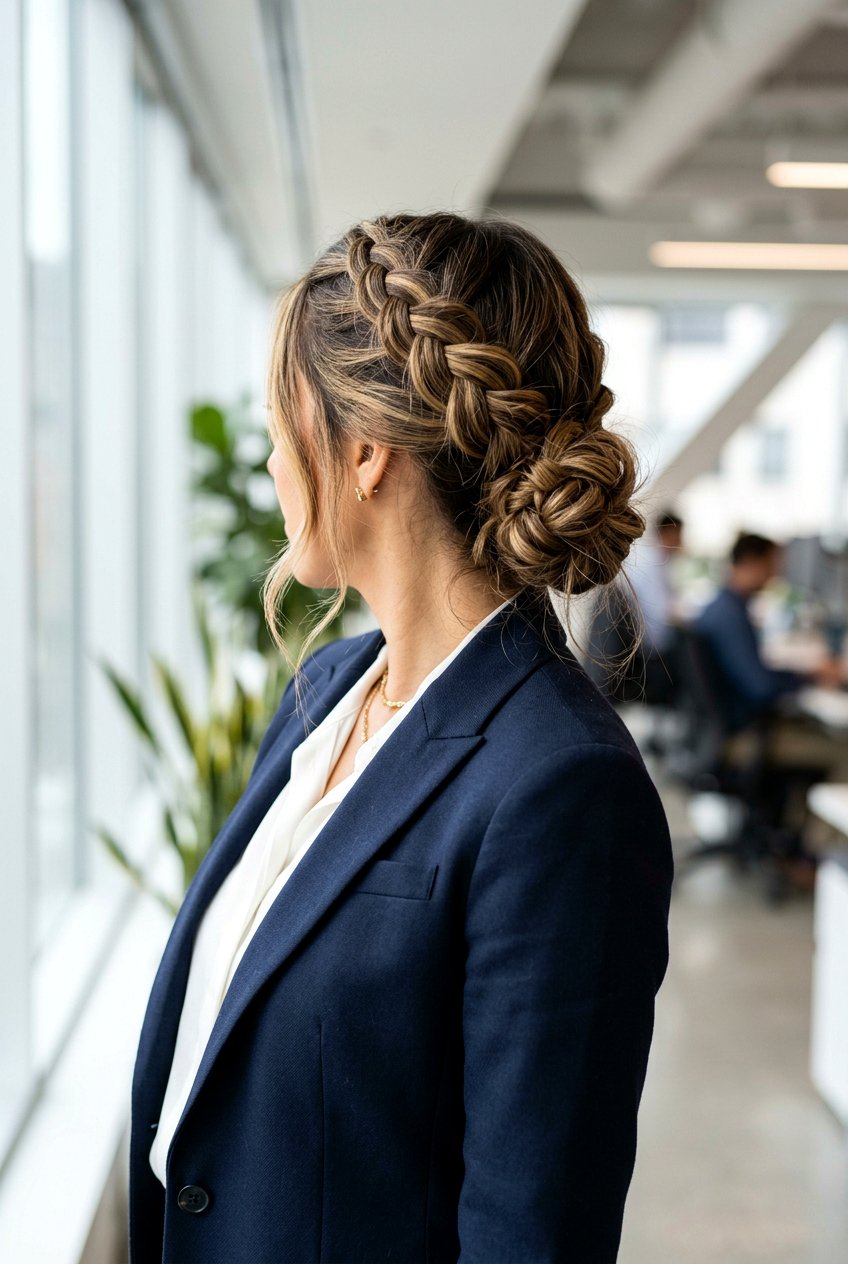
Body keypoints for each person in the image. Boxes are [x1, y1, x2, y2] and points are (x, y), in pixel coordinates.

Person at [129, 212, 673, 1263]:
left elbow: (531, 1232)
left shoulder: (559, 785)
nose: (276, 459)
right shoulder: (326, 688)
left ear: (366, 450)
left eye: (281, 423)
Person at [694, 531, 843, 734]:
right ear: (753, 562)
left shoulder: (721, 607)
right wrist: (808, 680)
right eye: (772, 564)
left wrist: (807, 674)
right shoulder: (730, 616)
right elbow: (761, 688)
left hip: (726, 718)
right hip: (746, 725)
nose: (776, 573)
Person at [585, 510, 684, 707]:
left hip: (626, 645)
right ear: (670, 533)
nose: (682, 542)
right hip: (630, 651)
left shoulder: (652, 560)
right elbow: (660, 626)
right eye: (680, 536)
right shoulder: (651, 561)